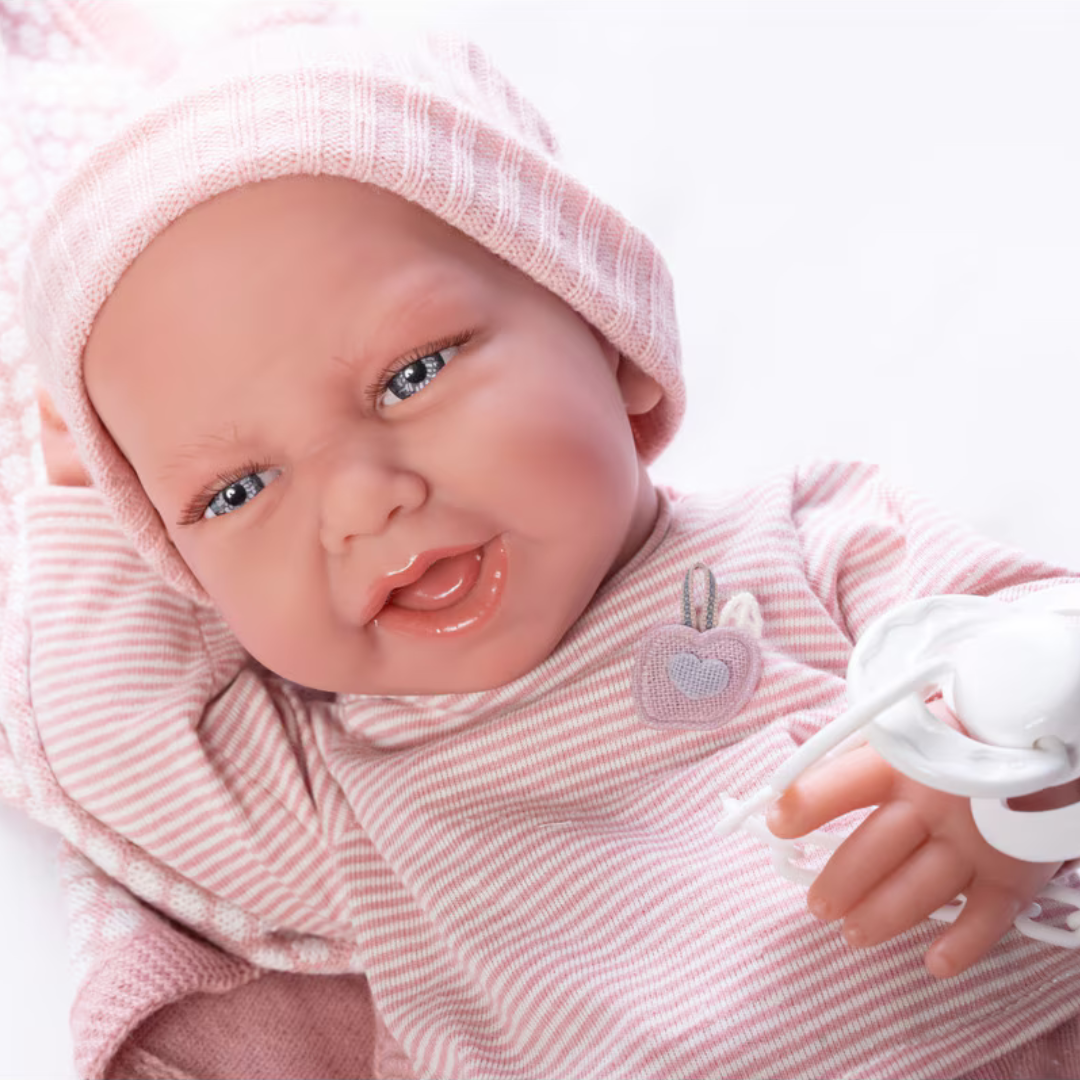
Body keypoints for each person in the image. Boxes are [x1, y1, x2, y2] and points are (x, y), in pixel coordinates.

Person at [12, 3, 1080, 1077]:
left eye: (412, 374)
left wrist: (1007, 763)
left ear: (608, 334)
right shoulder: (343, 790)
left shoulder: (809, 540)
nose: (359, 503)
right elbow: (96, 722)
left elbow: (1049, 636)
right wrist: (73, 481)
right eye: (238, 488)